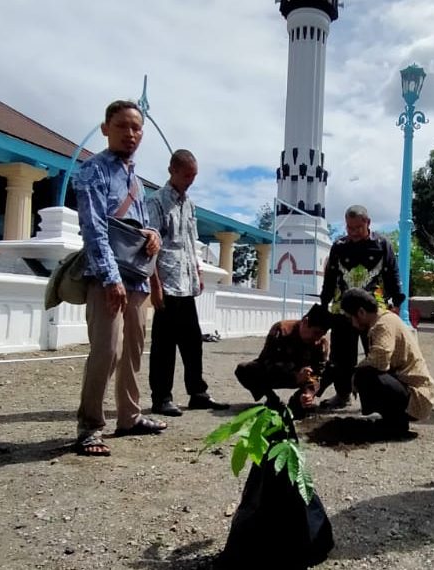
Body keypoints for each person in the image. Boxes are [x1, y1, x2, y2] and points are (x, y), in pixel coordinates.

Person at [72, 100, 167, 457]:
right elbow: (94, 228)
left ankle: (129, 416)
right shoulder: (92, 171)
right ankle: (89, 426)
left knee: (133, 350)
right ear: (105, 128)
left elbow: (140, 226)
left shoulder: (136, 180)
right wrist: (110, 278)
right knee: (106, 351)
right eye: (123, 126)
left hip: (137, 277)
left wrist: (153, 234)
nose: (131, 134)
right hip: (106, 276)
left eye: (137, 128)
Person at [146, 149, 229, 416]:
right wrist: (154, 284)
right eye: (187, 175)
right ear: (172, 171)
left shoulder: (189, 204)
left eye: (194, 176)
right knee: (164, 344)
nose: (190, 180)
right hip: (167, 281)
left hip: (186, 281)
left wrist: (198, 271)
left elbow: (191, 243)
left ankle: (197, 392)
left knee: (193, 341)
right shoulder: (156, 202)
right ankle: (161, 397)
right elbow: (148, 247)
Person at [318, 205, 404, 410]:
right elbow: (330, 278)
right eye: (349, 227)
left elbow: (392, 274)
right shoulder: (338, 246)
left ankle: (376, 398)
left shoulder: (383, 244)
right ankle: (342, 394)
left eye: (357, 227)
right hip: (342, 310)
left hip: (373, 310)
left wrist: (397, 303)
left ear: (368, 223)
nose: (353, 232)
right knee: (340, 355)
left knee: (376, 354)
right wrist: (324, 303)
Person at [339, 288, 434, 438]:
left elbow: (380, 361)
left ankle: (397, 425)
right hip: (411, 392)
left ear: (361, 313)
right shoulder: (385, 319)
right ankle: (392, 420)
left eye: (351, 317)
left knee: (365, 374)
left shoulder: (382, 325)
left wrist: (355, 375)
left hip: (417, 399)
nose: (352, 323)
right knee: (366, 372)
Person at [234, 304, 332, 413]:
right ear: (305, 322)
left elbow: (318, 373)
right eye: (316, 332)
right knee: (245, 369)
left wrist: (309, 393)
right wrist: (294, 376)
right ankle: (272, 399)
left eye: (321, 334)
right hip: (278, 374)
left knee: (332, 369)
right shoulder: (281, 330)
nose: (316, 338)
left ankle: (298, 402)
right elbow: (266, 361)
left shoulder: (321, 343)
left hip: (304, 377)